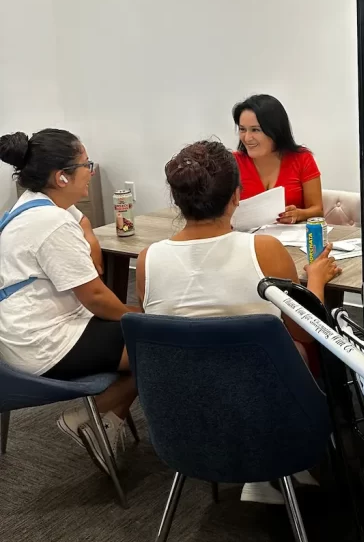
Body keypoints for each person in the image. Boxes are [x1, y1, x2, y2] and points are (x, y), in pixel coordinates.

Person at [137, 140, 341, 504]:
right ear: (236, 196)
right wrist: (316, 281)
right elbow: (305, 333)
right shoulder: (264, 250)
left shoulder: (148, 260)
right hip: (267, 414)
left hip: (182, 419)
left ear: (176, 199)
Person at [0, 129, 137, 471]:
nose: (90, 171)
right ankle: (89, 419)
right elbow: (95, 297)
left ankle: (106, 419)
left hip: (24, 330)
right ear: (61, 177)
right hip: (44, 342)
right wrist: (135, 316)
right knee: (162, 342)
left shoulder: (34, 201)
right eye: (85, 164)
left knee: (151, 334)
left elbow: (82, 220)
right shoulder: (51, 223)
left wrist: (89, 237)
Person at [232, 94, 323, 224]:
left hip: (292, 240)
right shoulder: (232, 163)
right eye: (242, 129)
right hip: (247, 241)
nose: (247, 138)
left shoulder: (302, 158)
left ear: (275, 131)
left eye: (255, 130)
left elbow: (317, 210)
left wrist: (298, 214)